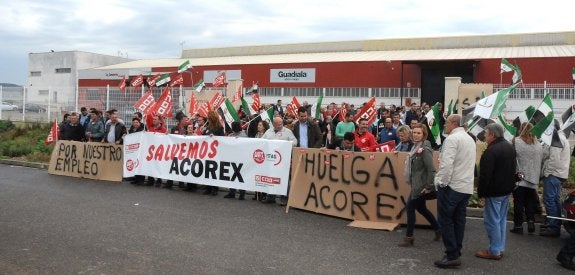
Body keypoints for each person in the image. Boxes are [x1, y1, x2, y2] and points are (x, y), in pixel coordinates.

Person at [433, 114, 476, 268]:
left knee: (445, 220)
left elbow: (446, 165)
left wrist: (441, 183)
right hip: (465, 186)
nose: (444, 125)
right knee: (459, 221)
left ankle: (451, 254)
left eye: (446, 123)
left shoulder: (452, 139)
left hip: (452, 186)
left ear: (454, 123)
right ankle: (455, 252)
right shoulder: (470, 138)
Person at [475, 123, 517, 260]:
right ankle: (499, 247)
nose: (485, 137)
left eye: (486, 134)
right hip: (506, 190)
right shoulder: (509, 147)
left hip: (494, 191)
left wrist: (481, 193)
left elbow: (485, 176)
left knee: (492, 221)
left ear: (492, 135)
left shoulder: (491, 151)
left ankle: (494, 251)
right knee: (501, 220)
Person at [398, 123, 440, 247]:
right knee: (421, 208)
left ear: (424, 135)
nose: (416, 135)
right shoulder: (415, 147)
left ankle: (409, 236)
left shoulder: (424, 149)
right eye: (414, 132)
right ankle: (438, 230)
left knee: (410, 207)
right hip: (417, 184)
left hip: (421, 186)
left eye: (418, 133)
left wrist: (428, 187)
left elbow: (431, 169)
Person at [510, 122, 542, 234]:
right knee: (530, 202)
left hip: (520, 177)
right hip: (533, 177)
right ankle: (531, 222)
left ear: (521, 129)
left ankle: (518, 226)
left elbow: (511, 157)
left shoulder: (516, 141)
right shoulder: (538, 143)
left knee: (518, 202)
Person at [540, 124, 571, 237]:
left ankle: (553, 227)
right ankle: (554, 224)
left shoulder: (556, 139)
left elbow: (554, 159)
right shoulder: (561, 138)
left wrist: (547, 173)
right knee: (555, 200)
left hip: (554, 174)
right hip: (559, 174)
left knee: (549, 200)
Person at [261, 116, 297, 204]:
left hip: (283, 160)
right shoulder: (268, 131)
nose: (281, 125)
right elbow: (261, 141)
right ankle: (271, 197)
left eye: (281, 123)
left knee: (284, 179)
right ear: (274, 124)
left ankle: (284, 198)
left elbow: (295, 142)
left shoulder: (288, 132)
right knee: (271, 178)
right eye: (279, 124)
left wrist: (286, 145)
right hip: (271, 160)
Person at [202, 110, 225, 196]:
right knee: (207, 170)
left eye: (209, 117)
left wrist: (214, 137)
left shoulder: (219, 128)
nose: (208, 119)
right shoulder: (208, 127)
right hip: (207, 152)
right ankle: (208, 187)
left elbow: (222, 139)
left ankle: (215, 188)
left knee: (213, 170)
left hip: (215, 153)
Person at [224, 121, 248, 200]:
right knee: (232, 176)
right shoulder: (231, 135)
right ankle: (232, 192)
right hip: (233, 159)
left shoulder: (244, 135)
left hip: (241, 159)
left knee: (240, 176)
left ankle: (242, 194)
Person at [144, 114, 167, 186]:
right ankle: (150, 180)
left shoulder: (163, 129)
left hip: (159, 150)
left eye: (155, 119)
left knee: (158, 165)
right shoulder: (151, 128)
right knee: (150, 164)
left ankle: (159, 180)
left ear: (159, 121)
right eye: (153, 119)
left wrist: (166, 134)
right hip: (151, 150)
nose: (153, 120)